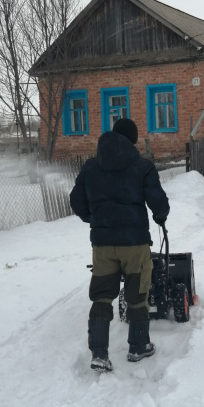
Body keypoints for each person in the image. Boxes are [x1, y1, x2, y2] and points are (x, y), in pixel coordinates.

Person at [70, 118, 170, 372]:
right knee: (138, 296)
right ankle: (138, 347)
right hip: (134, 243)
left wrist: (94, 219)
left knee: (101, 296)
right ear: (132, 141)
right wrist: (161, 215)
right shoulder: (141, 166)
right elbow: (157, 200)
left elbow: (76, 200)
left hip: (103, 245)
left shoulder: (92, 166)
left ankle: (100, 354)